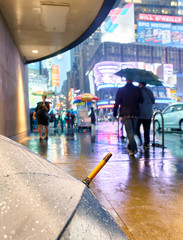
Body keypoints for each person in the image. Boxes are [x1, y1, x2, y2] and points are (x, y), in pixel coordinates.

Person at [113, 78, 144, 156]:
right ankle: (130, 147)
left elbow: (117, 103)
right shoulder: (137, 89)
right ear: (132, 80)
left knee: (129, 132)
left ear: (126, 80)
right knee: (132, 132)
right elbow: (141, 100)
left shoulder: (121, 90)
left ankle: (134, 149)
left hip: (125, 113)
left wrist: (114, 113)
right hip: (135, 113)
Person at [136, 82, 155, 149]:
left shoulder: (138, 90)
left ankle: (140, 140)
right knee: (146, 130)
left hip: (140, 114)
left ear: (140, 83)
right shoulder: (149, 91)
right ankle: (146, 144)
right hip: (148, 113)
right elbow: (153, 101)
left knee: (136, 128)